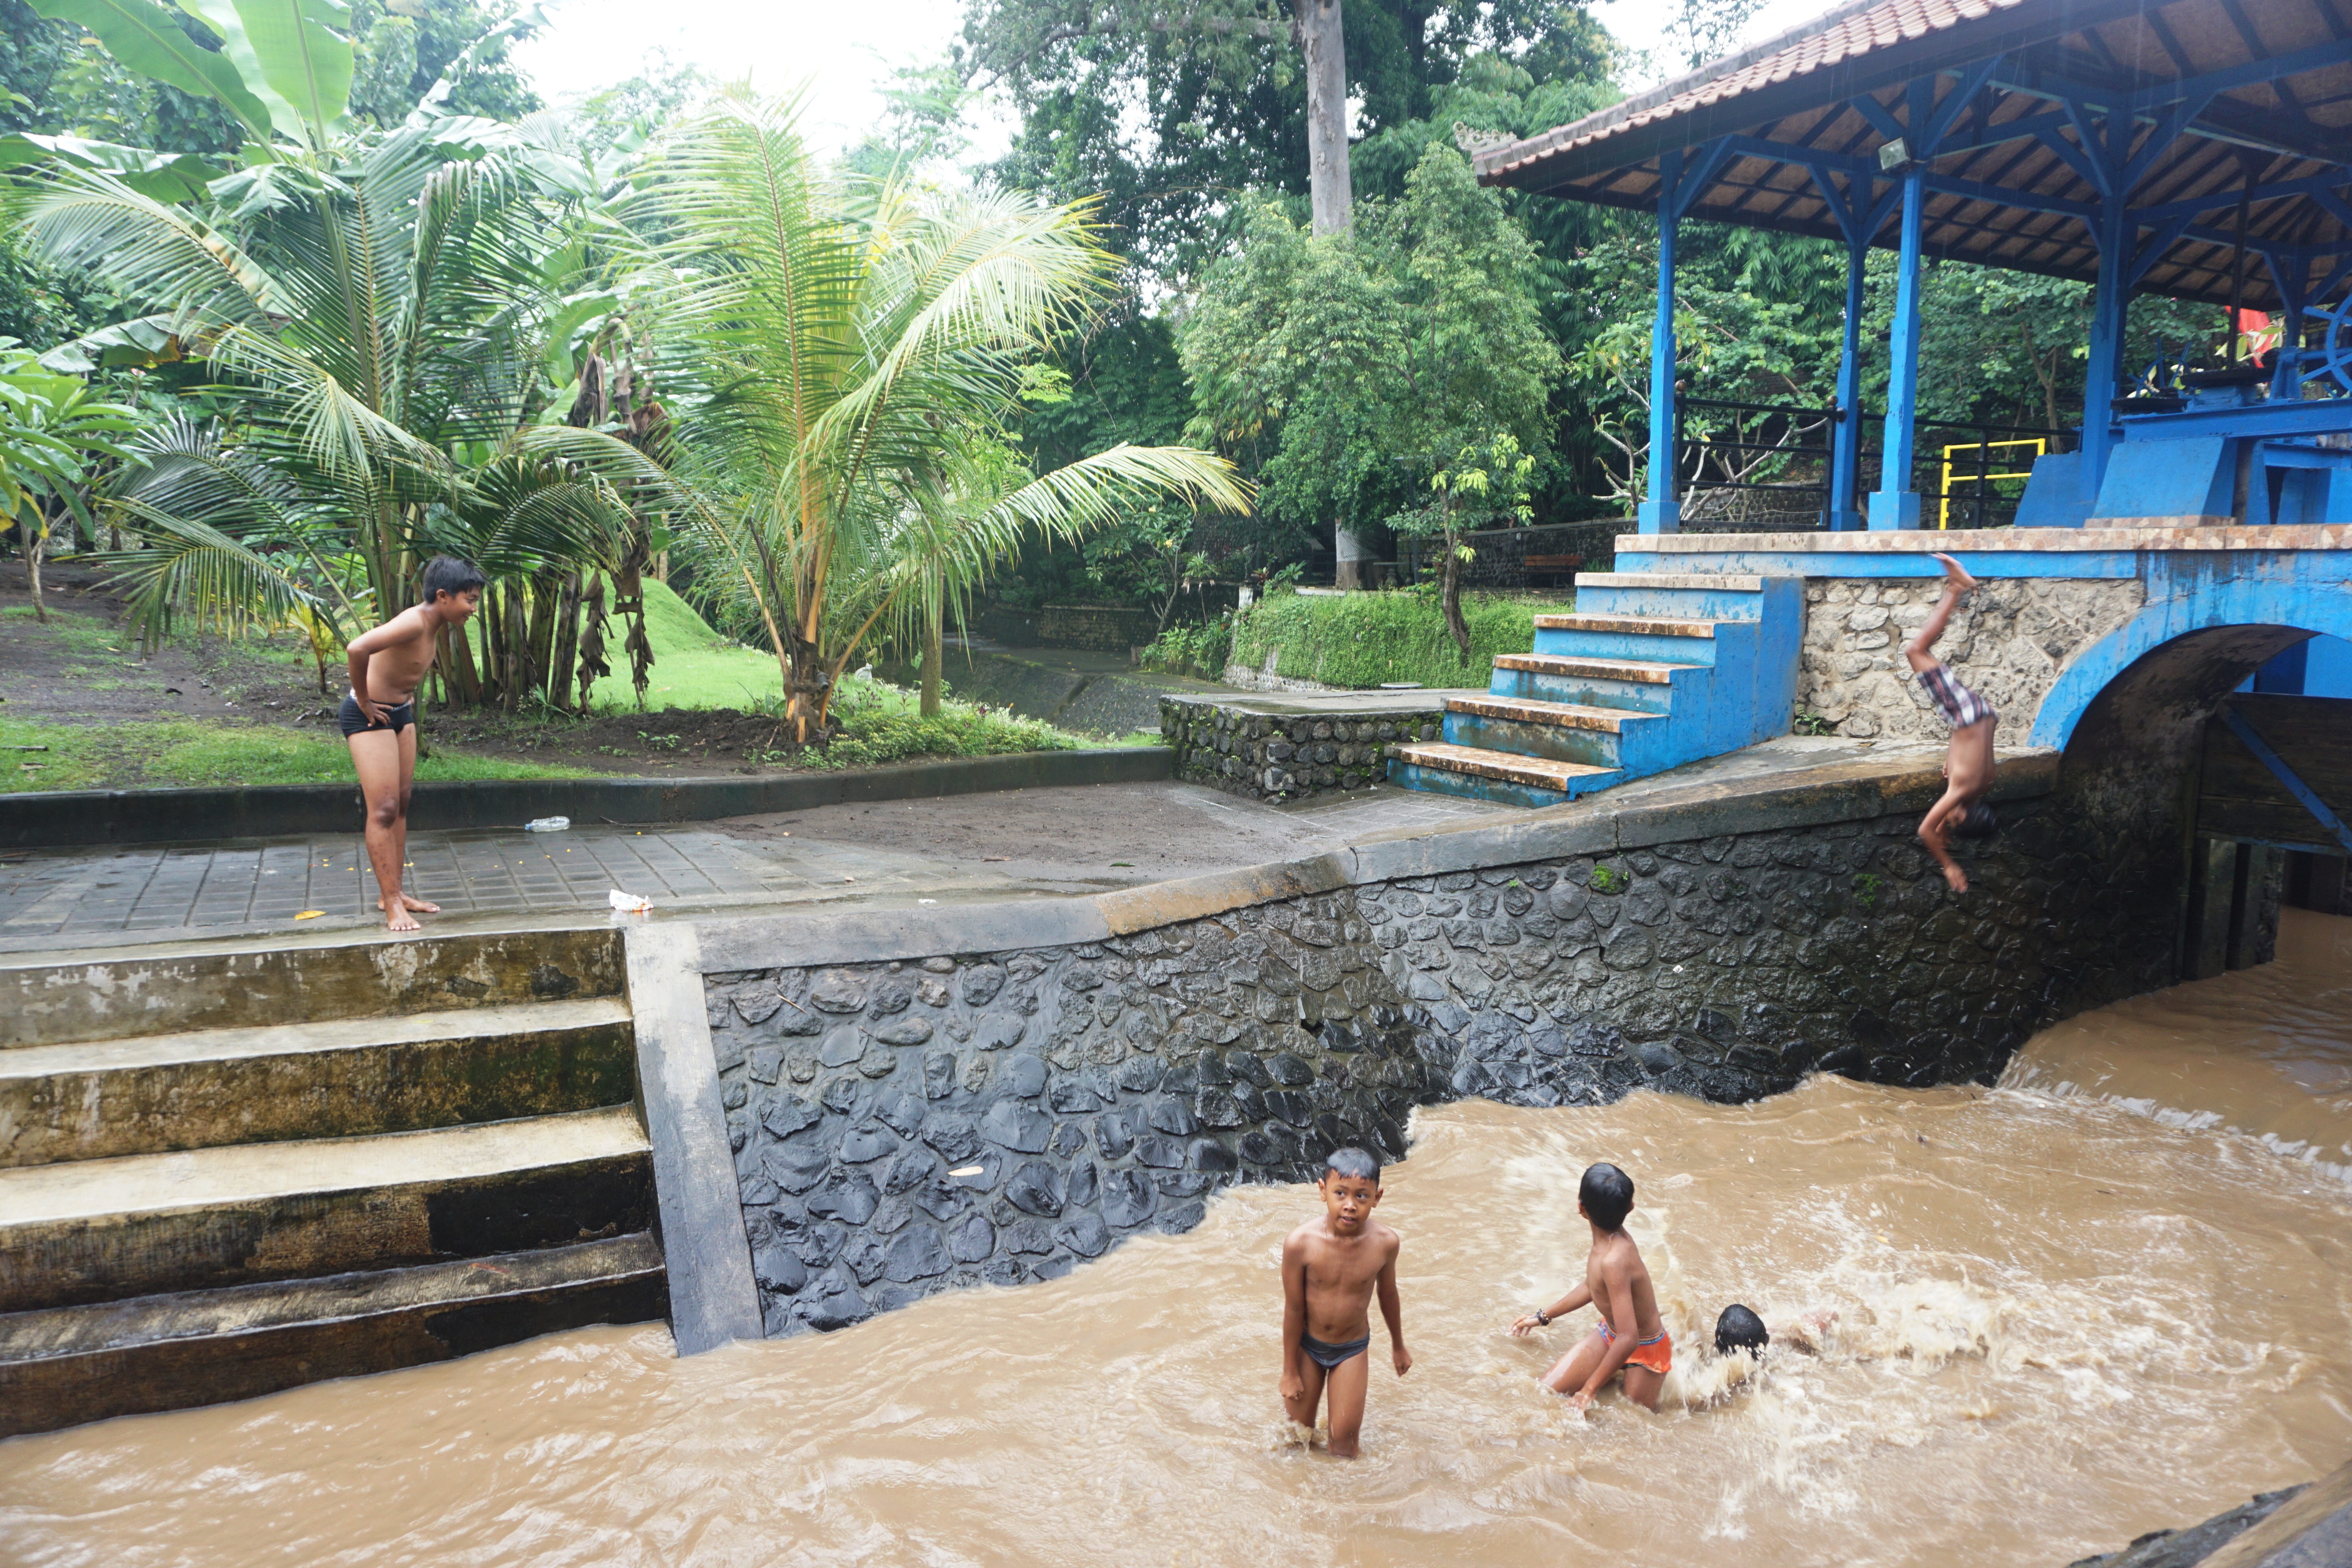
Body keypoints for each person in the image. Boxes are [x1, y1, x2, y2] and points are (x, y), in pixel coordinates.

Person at [342, 556, 483, 932]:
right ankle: (391, 904)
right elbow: (357, 649)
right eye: (470, 600)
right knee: (384, 809)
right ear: (443, 596)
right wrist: (364, 699)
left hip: (400, 715)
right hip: (369, 716)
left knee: (402, 805)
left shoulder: (433, 625)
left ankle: (397, 892)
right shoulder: (413, 621)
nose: (474, 609)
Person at [1279, 1146, 1412, 1458]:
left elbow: (1388, 1295)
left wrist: (1398, 1345)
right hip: (1307, 1348)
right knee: (1297, 1438)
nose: (1350, 1206)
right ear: (1323, 1191)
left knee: (1344, 1446)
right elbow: (1294, 1309)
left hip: (1351, 1349)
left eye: (1362, 1197)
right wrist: (1289, 1370)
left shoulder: (1385, 1244)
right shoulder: (1300, 1243)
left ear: (1377, 1197)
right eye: (1341, 1194)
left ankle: (1344, 1505)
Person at [1509, 1161, 1670, 1412]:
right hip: (1613, 1334)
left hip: (1647, 1348)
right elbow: (1592, 1287)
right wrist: (1541, 1317)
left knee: (1631, 1423)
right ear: (1631, 1208)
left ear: (1581, 1208)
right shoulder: (1608, 1244)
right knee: (1543, 1391)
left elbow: (1630, 1338)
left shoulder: (1614, 1260)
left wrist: (1588, 1390)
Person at [1905, 552, 2002, 894]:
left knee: (1920, 651)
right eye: (1953, 820)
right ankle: (1956, 588)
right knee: (1916, 650)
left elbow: (1964, 753)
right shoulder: (1960, 790)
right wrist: (1949, 865)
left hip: (1981, 714)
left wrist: (1950, 758)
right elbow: (1925, 831)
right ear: (1961, 816)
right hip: (1967, 715)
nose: (1948, 819)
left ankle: (1955, 588)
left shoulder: (1982, 787)